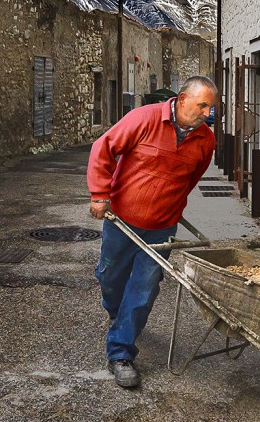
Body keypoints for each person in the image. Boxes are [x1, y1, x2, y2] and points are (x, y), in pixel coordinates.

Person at [87, 76, 217, 388]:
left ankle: (121, 352)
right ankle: (117, 313)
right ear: (183, 99)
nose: (207, 112)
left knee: (143, 289)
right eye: (202, 105)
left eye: (211, 107)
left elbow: (191, 179)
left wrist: (170, 204)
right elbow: (102, 148)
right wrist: (99, 195)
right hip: (122, 219)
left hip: (162, 227)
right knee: (110, 276)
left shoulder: (206, 140)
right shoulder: (143, 119)